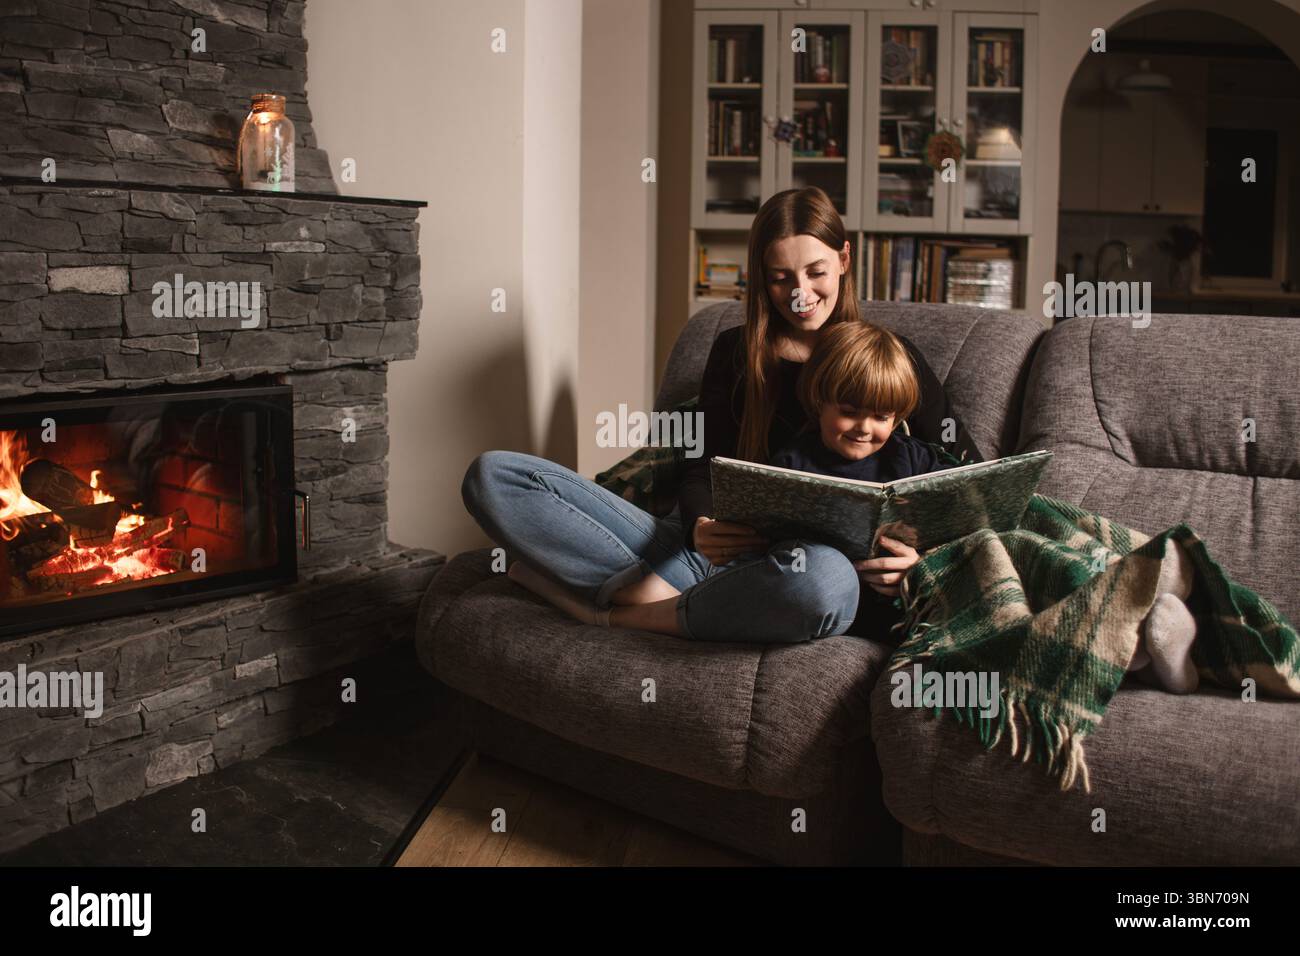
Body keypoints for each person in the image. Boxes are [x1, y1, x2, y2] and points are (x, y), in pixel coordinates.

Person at [461, 186, 981, 643]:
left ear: (844, 259)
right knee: (495, 476)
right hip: (720, 553)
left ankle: (627, 614)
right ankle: (700, 596)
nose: (800, 293)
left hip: (812, 571)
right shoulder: (735, 352)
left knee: (821, 580)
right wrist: (701, 526)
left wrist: (922, 564)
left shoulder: (893, 360)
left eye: (816, 272)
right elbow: (700, 465)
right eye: (780, 278)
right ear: (761, 278)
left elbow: (970, 481)